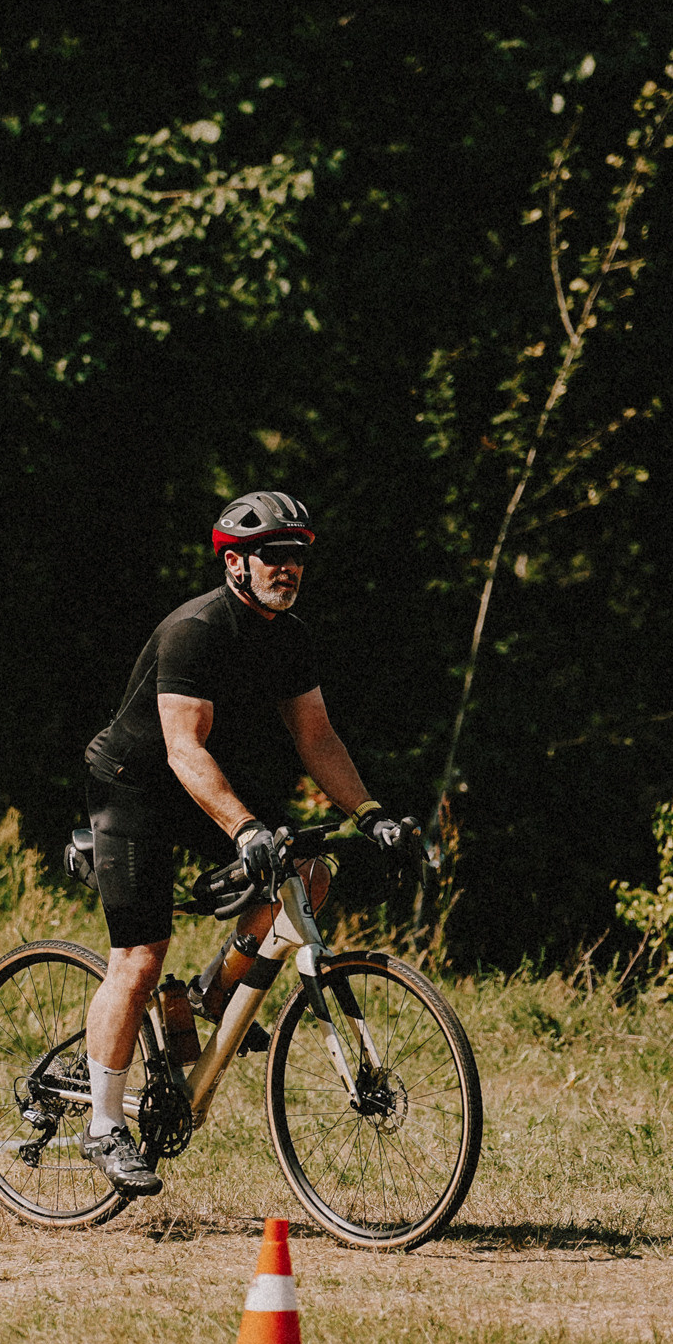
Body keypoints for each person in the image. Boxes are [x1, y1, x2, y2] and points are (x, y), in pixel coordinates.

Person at [76, 490, 415, 1196]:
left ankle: (209, 993)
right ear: (235, 563)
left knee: (309, 878)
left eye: (297, 558)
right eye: (273, 556)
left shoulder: (289, 637)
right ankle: (104, 1127)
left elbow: (316, 737)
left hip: (208, 784)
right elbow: (182, 748)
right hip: (139, 785)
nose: (287, 569)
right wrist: (244, 827)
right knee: (138, 959)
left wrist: (373, 812)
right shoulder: (195, 630)